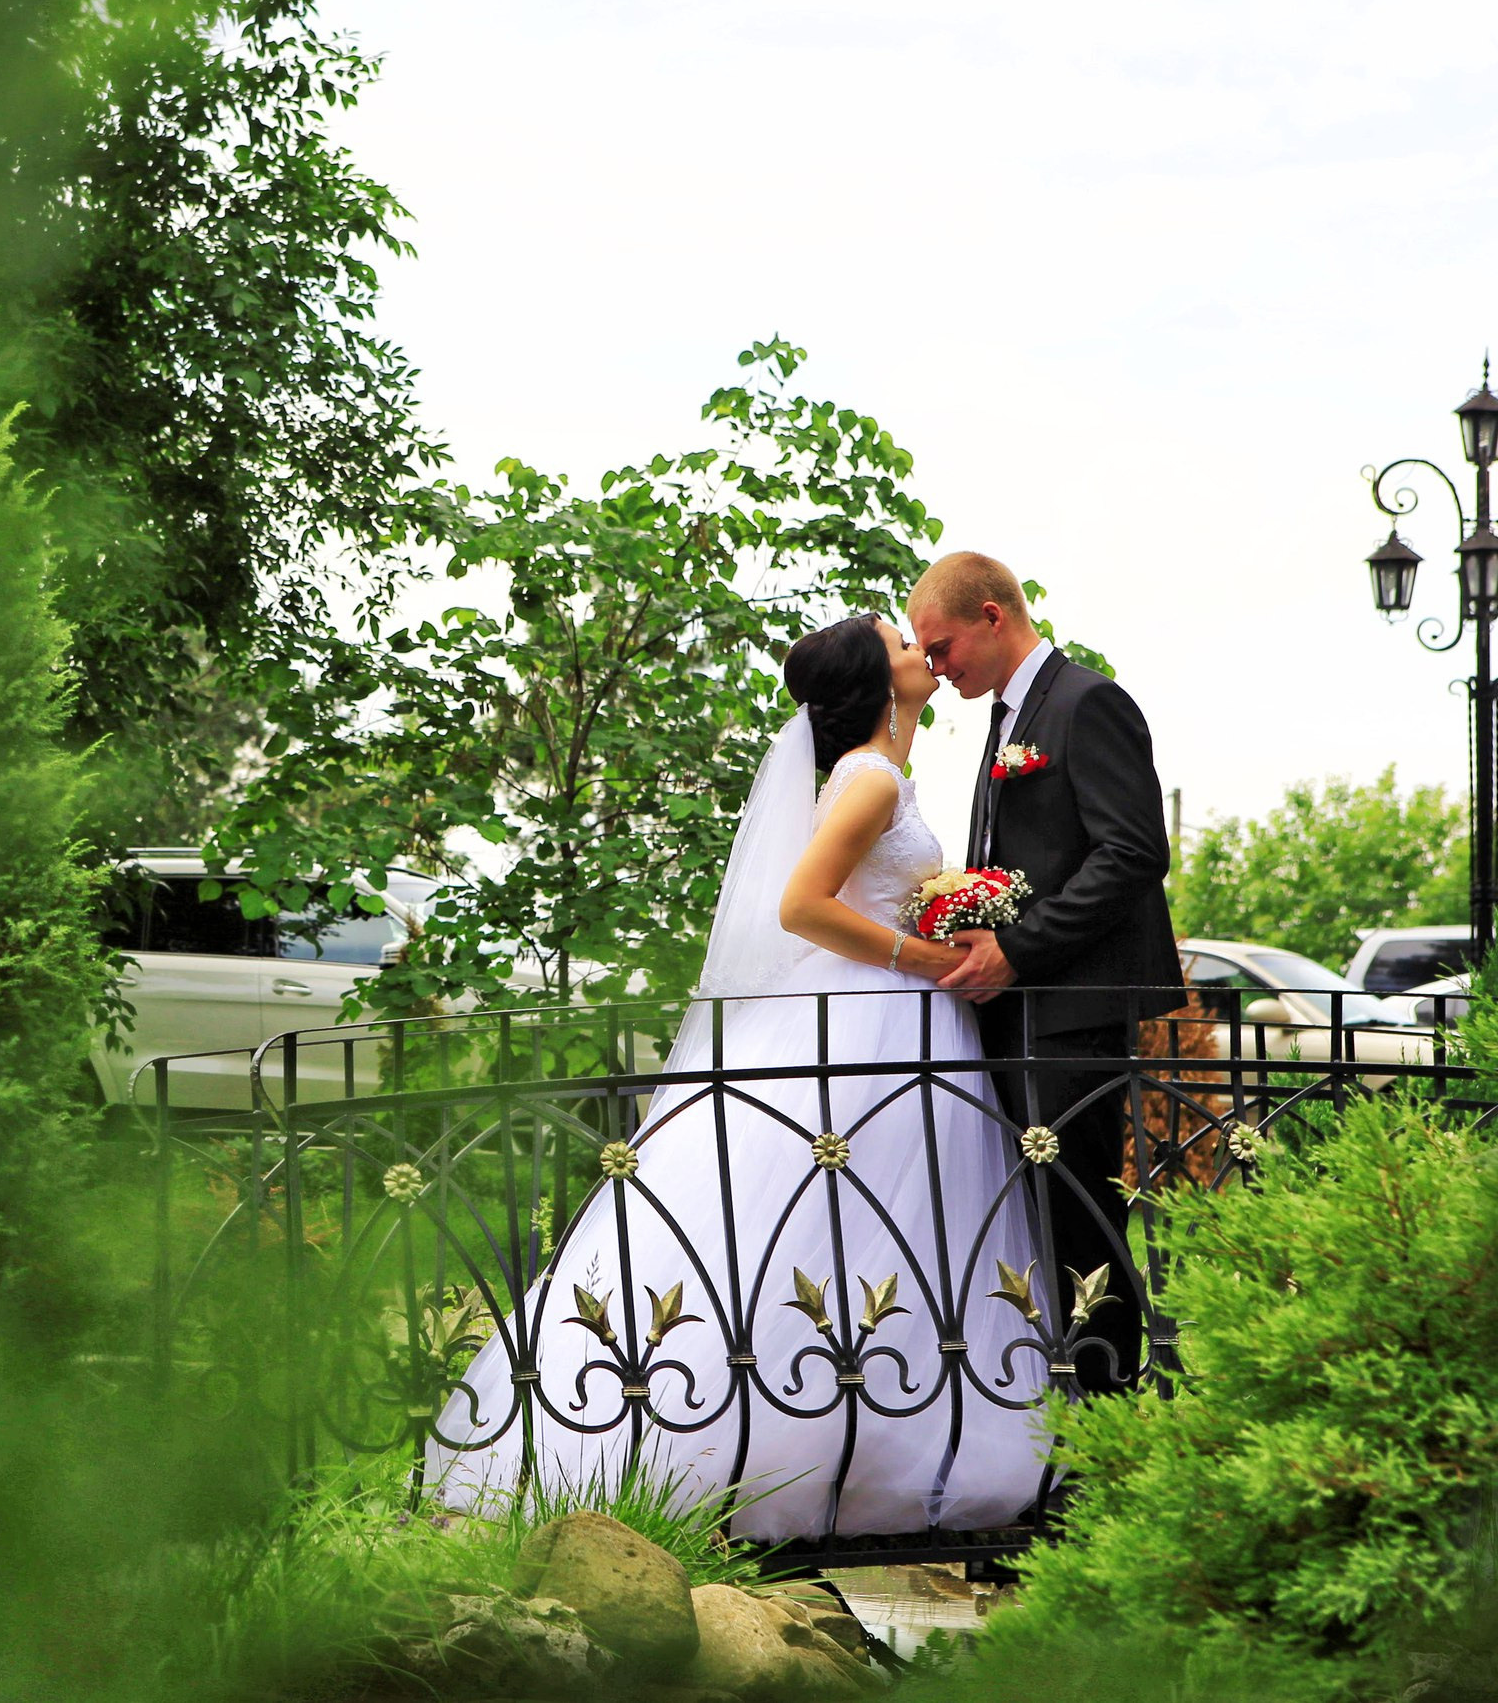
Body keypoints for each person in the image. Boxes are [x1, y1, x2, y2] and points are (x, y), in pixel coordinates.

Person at [427, 614, 1049, 1543]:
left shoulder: (876, 776)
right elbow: (803, 906)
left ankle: (862, 1432)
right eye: (901, 645)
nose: (921, 650)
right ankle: (781, 1444)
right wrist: (919, 955)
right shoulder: (870, 780)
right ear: (879, 684)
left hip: (892, 1016)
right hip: (870, 1016)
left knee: (874, 1234)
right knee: (834, 1226)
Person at [906, 552, 1181, 1390]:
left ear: (993, 616)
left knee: (1081, 1224)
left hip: (1074, 1012)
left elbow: (1135, 851)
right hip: (1026, 1016)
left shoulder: (1086, 702)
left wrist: (1017, 946)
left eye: (943, 646)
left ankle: (1102, 1431)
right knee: (1042, 1222)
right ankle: (1067, 1413)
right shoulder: (1007, 716)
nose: (935, 667)